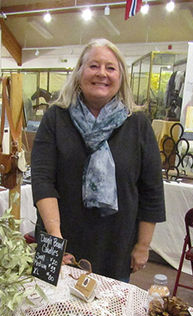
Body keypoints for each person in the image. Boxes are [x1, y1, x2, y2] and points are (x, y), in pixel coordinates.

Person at [31, 38, 166, 281]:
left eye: (110, 68)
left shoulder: (137, 124)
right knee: (50, 312)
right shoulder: (55, 118)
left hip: (114, 246)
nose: (102, 74)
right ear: (79, 72)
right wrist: (55, 237)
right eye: (93, 66)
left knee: (108, 314)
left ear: (121, 76)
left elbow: (152, 190)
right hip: (59, 241)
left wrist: (143, 245)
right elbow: (42, 180)